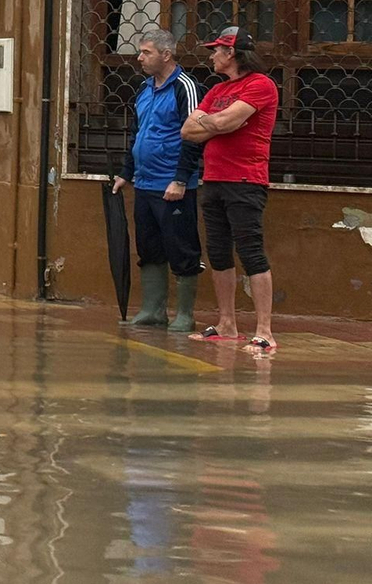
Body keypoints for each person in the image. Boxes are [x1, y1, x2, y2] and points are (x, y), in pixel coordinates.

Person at [180, 26, 280, 352]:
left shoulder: (260, 85)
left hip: (245, 181)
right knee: (219, 253)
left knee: (251, 252)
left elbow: (222, 124)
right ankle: (227, 323)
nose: (212, 56)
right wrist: (219, 120)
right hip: (214, 179)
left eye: (216, 51)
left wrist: (212, 121)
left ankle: (264, 331)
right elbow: (187, 131)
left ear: (231, 54)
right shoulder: (217, 89)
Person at [112, 29, 204, 332]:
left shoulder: (185, 87)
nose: (140, 58)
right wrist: (126, 173)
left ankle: (185, 314)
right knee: (149, 246)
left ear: (166, 54)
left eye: (146, 52)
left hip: (173, 185)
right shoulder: (144, 88)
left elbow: (194, 136)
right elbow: (139, 134)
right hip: (145, 182)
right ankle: (153, 309)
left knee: (181, 246)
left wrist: (180, 179)